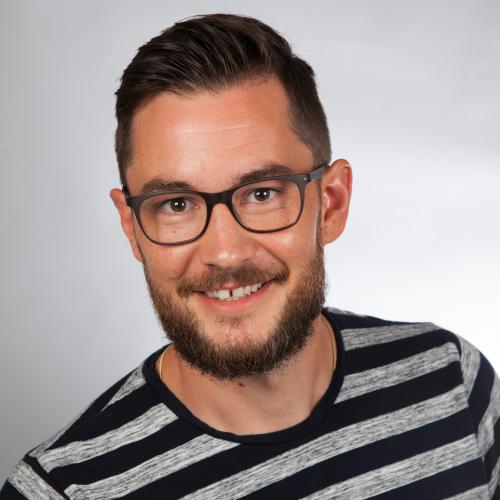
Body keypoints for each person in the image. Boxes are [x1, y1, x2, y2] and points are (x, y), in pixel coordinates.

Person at [1, 13, 498, 499]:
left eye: (262, 193)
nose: (225, 252)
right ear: (132, 229)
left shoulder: (451, 378)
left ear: (331, 204)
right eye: (176, 204)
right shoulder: (62, 490)